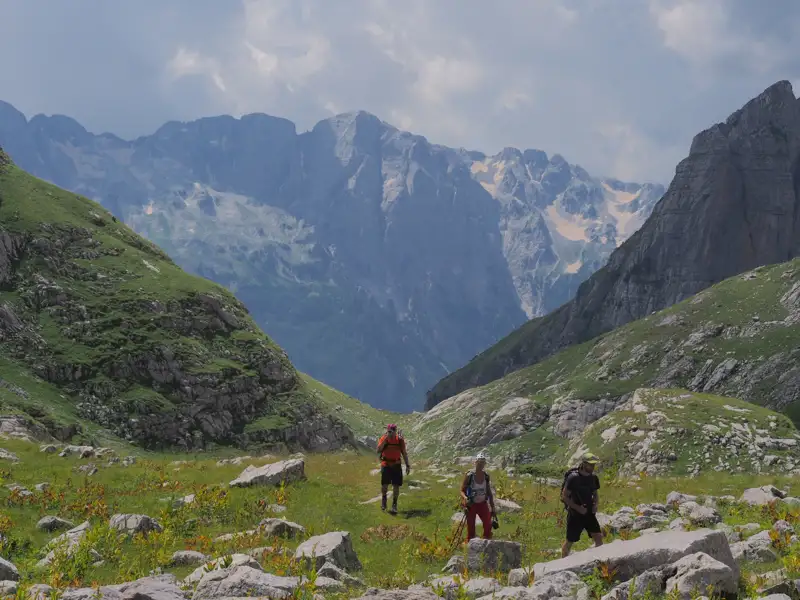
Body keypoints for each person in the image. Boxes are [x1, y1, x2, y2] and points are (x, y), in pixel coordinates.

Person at [561, 452, 603, 557]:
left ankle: (599, 561)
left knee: (598, 536)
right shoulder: (573, 478)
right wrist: (577, 508)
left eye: (594, 464)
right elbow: (564, 496)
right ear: (584, 464)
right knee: (570, 541)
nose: (593, 467)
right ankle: (562, 563)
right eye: (590, 464)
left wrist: (595, 505)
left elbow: (595, 494)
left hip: (589, 512)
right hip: (575, 514)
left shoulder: (593, 478)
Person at [460, 450, 496, 540]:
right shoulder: (469, 475)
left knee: (488, 524)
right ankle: (470, 546)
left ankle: (486, 542)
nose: (481, 465)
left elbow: (489, 493)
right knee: (471, 528)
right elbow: (462, 491)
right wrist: (465, 498)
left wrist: (493, 508)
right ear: (475, 463)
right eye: (479, 463)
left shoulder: (486, 476)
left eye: (483, 463)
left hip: (482, 504)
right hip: (471, 504)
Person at [377, 424, 410, 514]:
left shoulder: (399, 440)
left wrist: (407, 465)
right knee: (384, 485)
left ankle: (394, 504)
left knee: (396, 485)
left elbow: (404, 453)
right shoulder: (384, 438)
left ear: (395, 431)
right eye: (389, 431)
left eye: (392, 431)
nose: (390, 433)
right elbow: (378, 450)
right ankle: (384, 500)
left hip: (396, 464)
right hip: (386, 464)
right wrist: (385, 439)